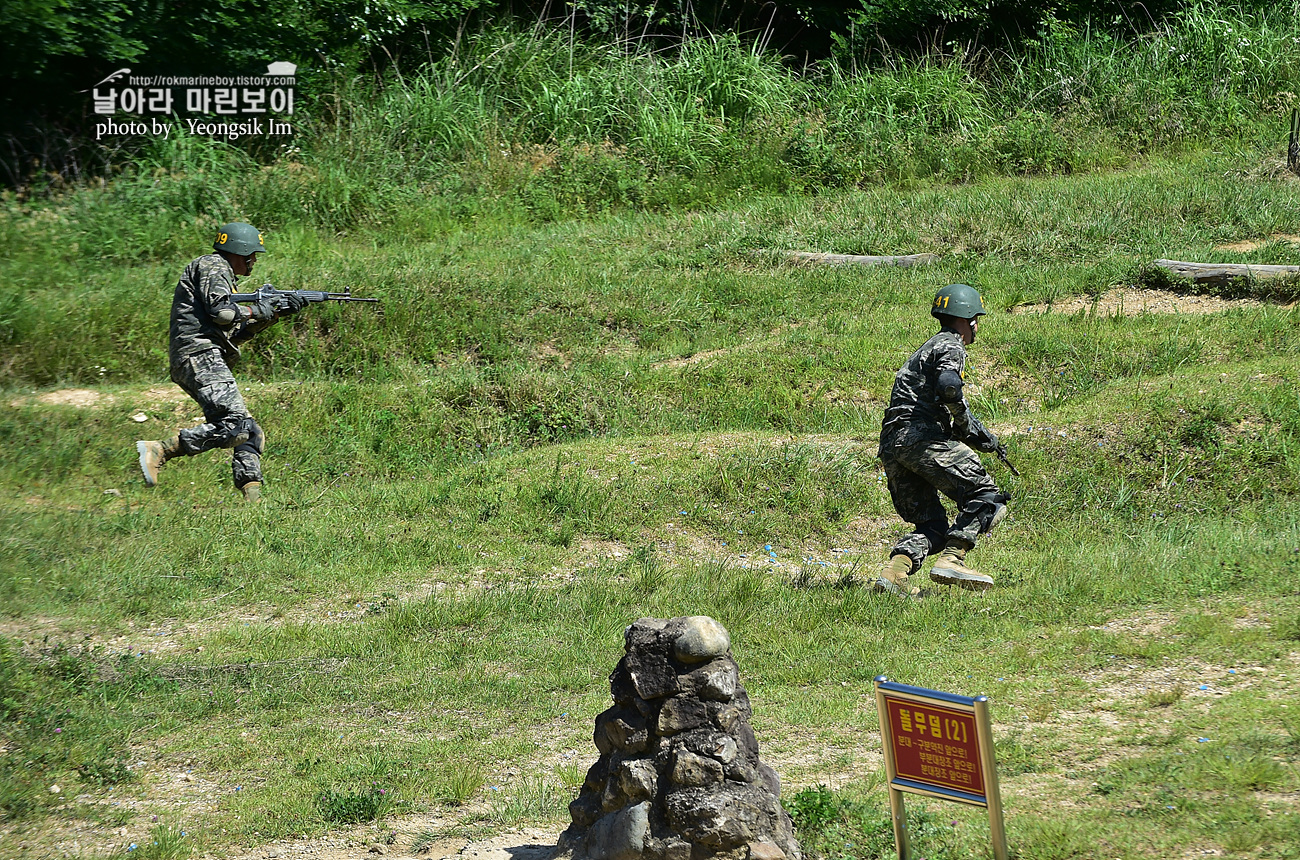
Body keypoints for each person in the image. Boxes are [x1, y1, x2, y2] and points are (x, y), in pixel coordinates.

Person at [135, 222, 306, 502]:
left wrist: (270, 317)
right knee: (237, 425)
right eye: (253, 254)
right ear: (241, 250)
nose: (255, 261)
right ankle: (162, 449)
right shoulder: (213, 266)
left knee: (249, 432)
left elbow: (235, 333)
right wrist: (255, 309)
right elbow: (223, 315)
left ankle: (254, 500)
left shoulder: (221, 277)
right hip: (198, 355)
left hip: (205, 356)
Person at [875, 283, 1010, 595]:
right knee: (987, 498)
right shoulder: (951, 345)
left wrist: (976, 433)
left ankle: (895, 573)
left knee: (932, 525)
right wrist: (968, 426)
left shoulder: (928, 347)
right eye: (976, 318)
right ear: (966, 318)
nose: (977, 325)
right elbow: (949, 387)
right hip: (922, 437)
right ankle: (953, 558)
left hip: (893, 444)